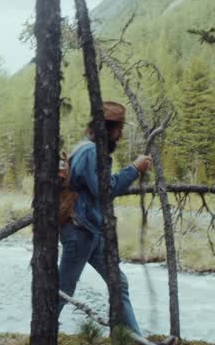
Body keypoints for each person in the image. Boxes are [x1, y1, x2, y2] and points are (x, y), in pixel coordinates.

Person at [58, 101, 152, 336]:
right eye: (119, 129)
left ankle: (130, 339)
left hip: (91, 231)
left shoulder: (88, 149)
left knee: (118, 284)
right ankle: (41, 333)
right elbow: (105, 189)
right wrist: (135, 168)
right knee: (63, 289)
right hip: (79, 231)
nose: (120, 135)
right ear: (108, 128)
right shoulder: (90, 152)